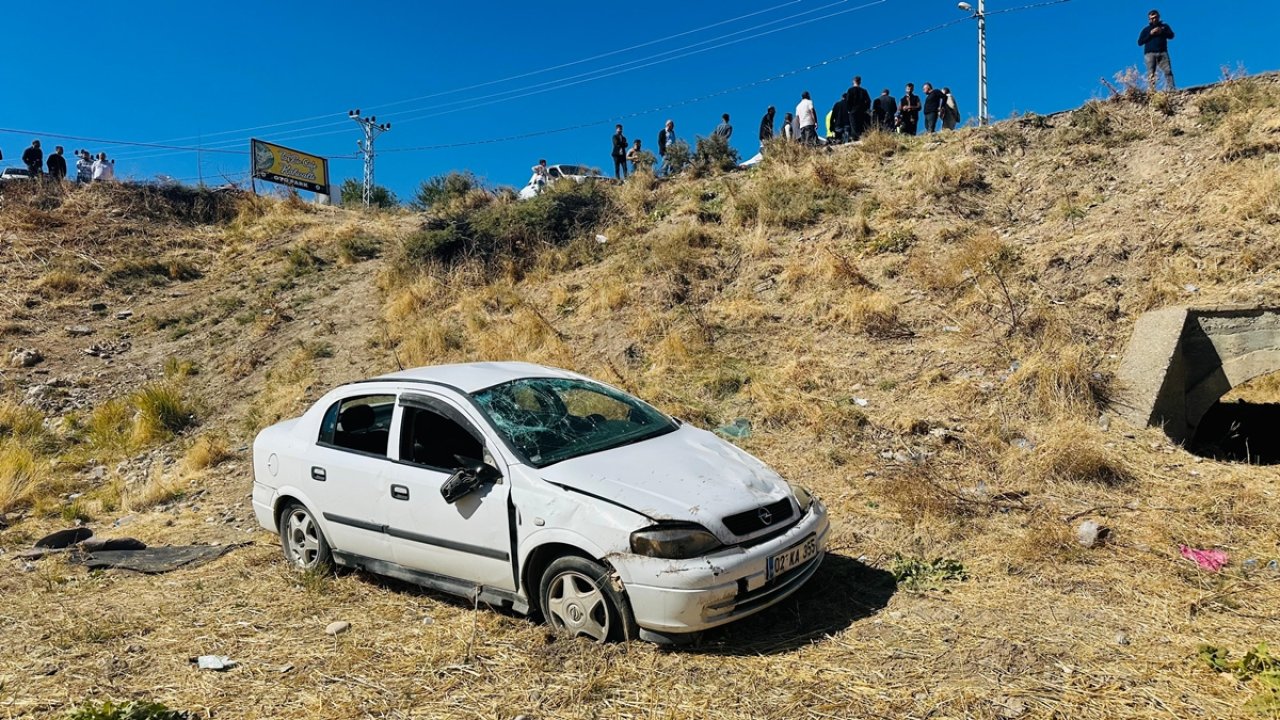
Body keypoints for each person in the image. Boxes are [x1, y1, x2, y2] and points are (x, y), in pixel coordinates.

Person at [1138, 9, 1175, 91]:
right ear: (1149, 19)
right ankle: (1152, 91)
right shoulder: (1146, 30)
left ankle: (1172, 89)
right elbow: (1140, 42)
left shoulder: (1164, 27)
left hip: (1163, 52)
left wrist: (1161, 32)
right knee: (1151, 74)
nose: (1154, 19)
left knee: (1168, 71)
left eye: (1155, 17)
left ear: (1158, 17)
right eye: (1151, 18)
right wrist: (1150, 34)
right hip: (1150, 54)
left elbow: (1171, 35)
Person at [846, 76, 872, 140]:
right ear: (860, 82)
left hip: (853, 110)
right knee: (860, 125)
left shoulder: (850, 90)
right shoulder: (864, 91)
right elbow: (868, 101)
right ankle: (861, 138)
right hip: (862, 111)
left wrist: (849, 109)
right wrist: (866, 108)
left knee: (854, 126)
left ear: (853, 81)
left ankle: (855, 138)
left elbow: (848, 101)